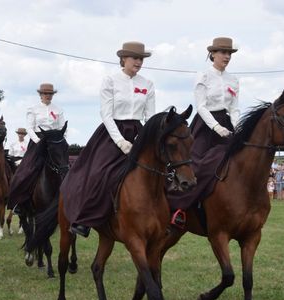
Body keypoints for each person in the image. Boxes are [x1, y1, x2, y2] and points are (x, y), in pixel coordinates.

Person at [60, 41, 155, 237]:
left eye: (141, 59)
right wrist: (120, 141)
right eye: (135, 58)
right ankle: (84, 219)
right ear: (123, 59)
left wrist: (147, 139)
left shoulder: (147, 84)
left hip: (139, 131)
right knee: (98, 172)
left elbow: (150, 116)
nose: (138, 62)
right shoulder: (110, 81)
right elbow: (106, 114)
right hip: (112, 133)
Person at [169, 36, 239, 223]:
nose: (227, 56)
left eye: (229, 53)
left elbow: (234, 107)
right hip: (205, 125)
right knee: (198, 166)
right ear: (213, 54)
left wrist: (237, 127)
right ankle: (179, 209)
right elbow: (200, 106)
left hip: (227, 123)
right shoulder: (203, 76)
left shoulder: (233, 79)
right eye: (223, 52)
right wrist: (216, 127)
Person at [7, 83, 66, 212]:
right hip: (38, 141)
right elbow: (29, 127)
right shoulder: (33, 109)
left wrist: (61, 140)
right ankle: (19, 201)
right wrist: (38, 141)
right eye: (45, 93)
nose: (48, 96)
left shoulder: (58, 109)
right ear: (40, 94)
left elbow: (62, 127)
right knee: (25, 170)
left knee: (66, 167)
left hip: (55, 141)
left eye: (50, 94)